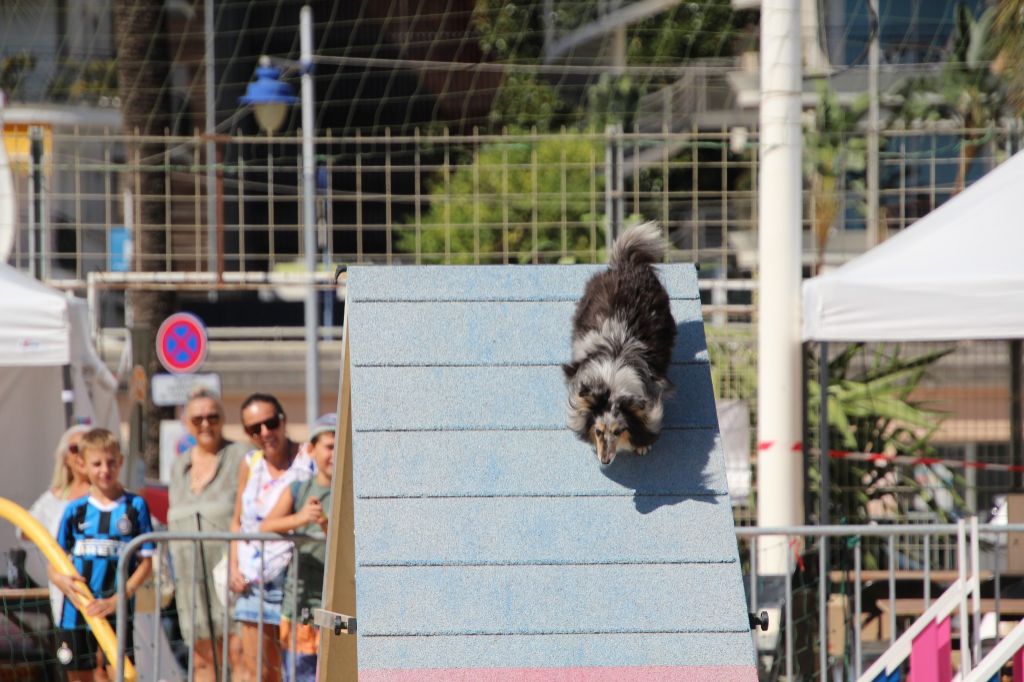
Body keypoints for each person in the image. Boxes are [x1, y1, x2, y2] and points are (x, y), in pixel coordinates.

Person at [48, 428, 155, 682]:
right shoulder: (75, 510)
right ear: (82, 465)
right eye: (97, 464)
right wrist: (60, 580)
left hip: (117, 609)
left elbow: (146, 563)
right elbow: (55, 560)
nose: (104, 470)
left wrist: (119, 598)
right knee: (79, 674)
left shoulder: (135, 506)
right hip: (78, 611)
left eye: (110, 462)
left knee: (118, 672)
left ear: (120, 462)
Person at [230, 394, 315, 682]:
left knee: (295, 670)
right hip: (253, 581)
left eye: (270, 423)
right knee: (258, 672)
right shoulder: (250, 463)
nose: (265, 433)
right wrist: (233, 568)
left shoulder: (308, 457)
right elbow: (237, 521)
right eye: (255, 429)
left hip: (297, 580)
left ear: (283, 419)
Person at [167, 388, 248, 682]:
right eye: (197, 417)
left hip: (230, 575)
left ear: (223, 418)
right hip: (189, 577)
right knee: (201, 658)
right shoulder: (178, 467)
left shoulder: (241, 456)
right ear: (186, 422)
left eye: (212, 416)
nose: (205, 424)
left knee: (238, 652)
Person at [260, 413, 335, 682]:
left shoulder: (352, 492)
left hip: (337, 607)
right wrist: (302, 518)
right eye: (330, 446)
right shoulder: (299, 489)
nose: (335, 454)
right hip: (299, 607)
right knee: (299, 674)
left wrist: (328, 527)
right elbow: (267, 525)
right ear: (311, 450)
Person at [24, 424, 92, 622]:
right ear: (65, 457)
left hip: (102, 588)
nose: (81, 454)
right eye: (74, 448)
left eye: (87, 447)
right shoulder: (53, 498)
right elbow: (23, 529)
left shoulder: (110, 497)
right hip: (64, 588)